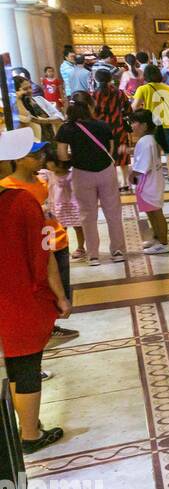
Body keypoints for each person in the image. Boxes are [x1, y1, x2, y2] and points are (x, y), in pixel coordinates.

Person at [0, 128, 72, 454]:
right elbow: (44, 258)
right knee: (27, 366)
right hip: (22, 298)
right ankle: (30, 434)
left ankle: (26, 424)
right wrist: (60, 297)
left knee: (16, 366)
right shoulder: (22, 203)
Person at [2, 137, 78, 341]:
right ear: (18, 159)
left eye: (41, 154)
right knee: (43, 289)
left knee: (60, 285)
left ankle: (50, 324)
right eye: (35, 156)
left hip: (57, 240)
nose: (41, 158)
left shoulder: (42, 180)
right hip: (37, 249)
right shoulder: (8, 187)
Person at [55, 96, 126, 266]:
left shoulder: (66, 129)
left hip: (82, 173)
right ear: (89, 108)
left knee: (88, 215)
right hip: (106, 171)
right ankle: (117, 251)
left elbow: (62, 155)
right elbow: (110, 149)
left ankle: (93, 255)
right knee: (113, 213)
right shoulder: (103, 125)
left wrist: (76, 157)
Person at [128, 110, 169, 255]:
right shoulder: (150, 139)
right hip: (150, 183)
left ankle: (164, 243)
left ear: (145, 125)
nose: (132, 125)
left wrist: (131, 175)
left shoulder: (145, 141)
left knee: (156, 212)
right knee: (152, 212)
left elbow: (142, 166)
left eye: (134, 122)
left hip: (149, 184)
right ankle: (157, 238)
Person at [132, 64, 169, 183]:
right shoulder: (168, 88)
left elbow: (134, 106)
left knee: (153, 149)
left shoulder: (143, 89)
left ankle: (155, 173)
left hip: (151, 124)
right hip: (168, 122)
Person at [91, 67, 133, 192]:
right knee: (123, 155)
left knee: (108, 155)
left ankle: (112, 183)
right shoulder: (119, 93)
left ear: (96, 79)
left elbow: (93, 113)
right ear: (110, 78)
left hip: (102, 130)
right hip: (118, 127)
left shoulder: (94, 95)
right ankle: (124, 183)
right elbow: (128, 110)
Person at [41, 153, 85, 260]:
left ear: (60, 163)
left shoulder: (73, 174)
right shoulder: (49, 175)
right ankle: (63, 247)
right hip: (57, 206)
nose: (47, 163)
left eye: (50, 161)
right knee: (60, 228)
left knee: (78, 227)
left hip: (73, 206)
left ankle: (81, 248)